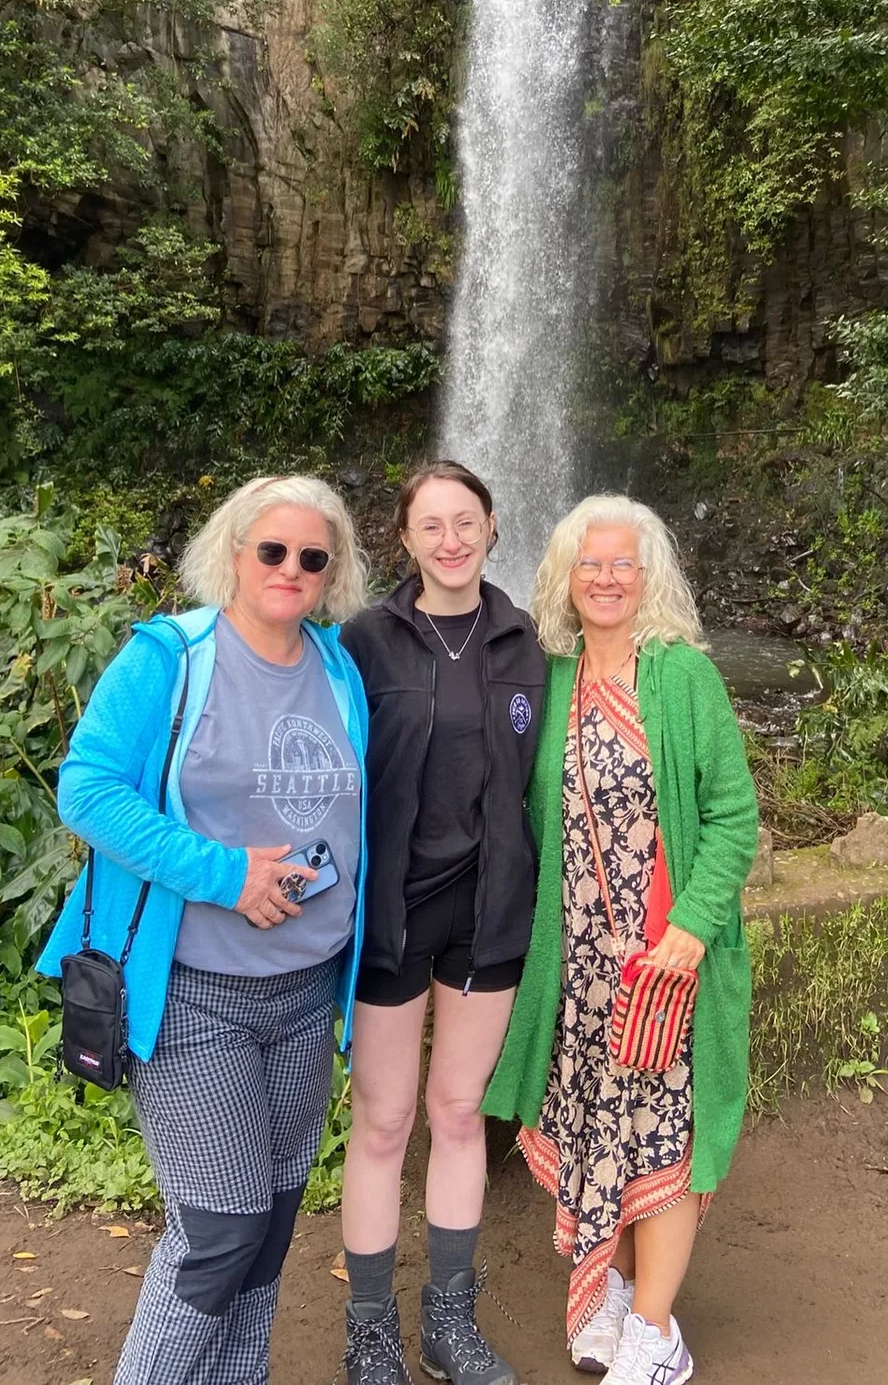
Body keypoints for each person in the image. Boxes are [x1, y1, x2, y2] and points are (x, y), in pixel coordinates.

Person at [38, 474, 371, 1385]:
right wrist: (227, 875)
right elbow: (88, 790)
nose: (291, 569)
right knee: (219, 1233)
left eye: (313, 557)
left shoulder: (337, 667)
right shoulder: (168, 660)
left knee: (266, 1226)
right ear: (232, 553)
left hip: (307, 994)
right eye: (272, 550)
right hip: (193, 991)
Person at [483, 495, 758, 1385]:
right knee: (607, 1130)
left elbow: (733, 817)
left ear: (650, 578)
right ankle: (612, 1286)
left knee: (665, 1138)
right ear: (565, 575)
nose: (605, 579)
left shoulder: (683, 677)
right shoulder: (553, 676)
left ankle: (654, 1332)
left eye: (622, 564)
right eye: (589, 564)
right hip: (582, 968)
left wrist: (689, 932)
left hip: (666, 965)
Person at [337, 461, 546, 1385]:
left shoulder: (524, 640)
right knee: (383, 1122)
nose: (451, 539)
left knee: (457, 1113)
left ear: (493, 527)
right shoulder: (364, 642)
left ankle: (447, 1325)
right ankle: (370, 1329)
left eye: (467, 521)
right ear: (407, 539)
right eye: (433, 525)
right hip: (390, 914)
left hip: (488, 912)